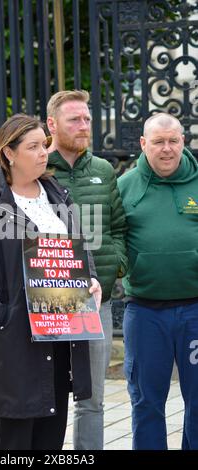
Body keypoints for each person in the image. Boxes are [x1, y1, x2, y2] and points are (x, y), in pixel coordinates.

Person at [0, 114, 101, 451]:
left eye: (43, 145)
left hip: (60, 338)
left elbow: (77, 248)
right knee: (17, 445)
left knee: (51, 443)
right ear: (9, 153)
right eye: (32, 147)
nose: (43, 153)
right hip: (13, 344)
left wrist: (89, 279)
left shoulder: (56, 194)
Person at [46, 90, 128, 450]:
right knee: (45, 398)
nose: (84, 127)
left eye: (87, 120)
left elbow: (119, 227)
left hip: (98, 303)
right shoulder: (37, 167)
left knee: (91, 400)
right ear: (52, 124)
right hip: (49, 304)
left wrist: (116, 265)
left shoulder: (103, 170)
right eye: (74, 120)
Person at [117, 112, 198, 450]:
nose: (166, 149)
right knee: (147, 401)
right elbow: (113, 239)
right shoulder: (124, 186)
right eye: (158, 142)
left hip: (195, 310)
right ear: (143, 144)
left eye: (173, 141)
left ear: (183, 142)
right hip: (145, 312)